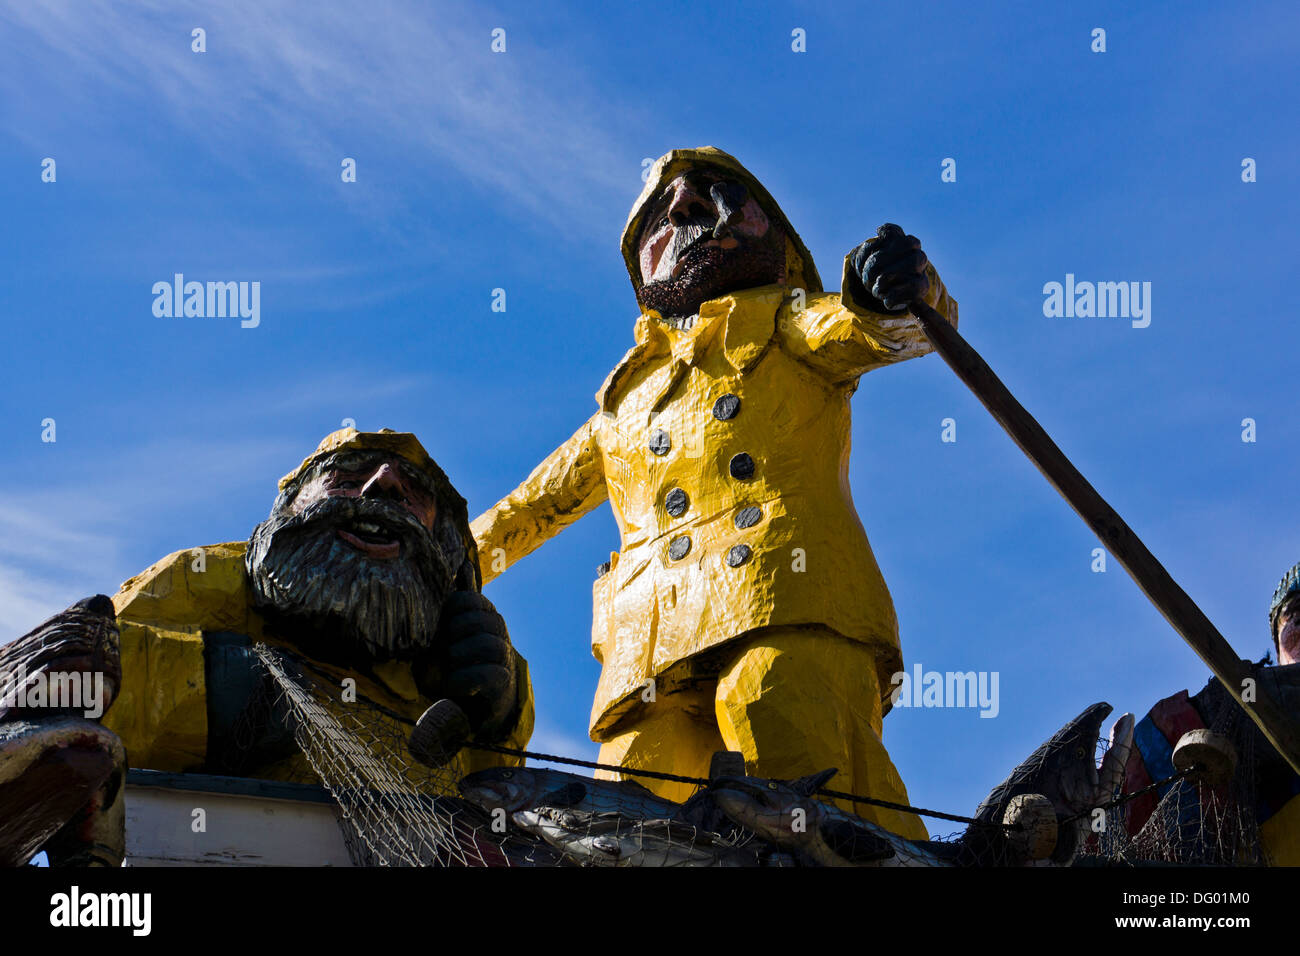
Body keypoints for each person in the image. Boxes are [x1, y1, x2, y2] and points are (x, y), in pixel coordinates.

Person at [472, 147, 958, 838]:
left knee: (802, 771)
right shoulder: (623, 402)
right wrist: (439, 559)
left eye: (715, 193)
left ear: (780, 244)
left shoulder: (787, 322)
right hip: (648, 648)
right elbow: (527, 509)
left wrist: (897, 292)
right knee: (624, 812)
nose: (683, 208)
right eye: (656, 219)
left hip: (786, 603)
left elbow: (868, 328)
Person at [103, 427, 533, 784]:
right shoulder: (200, 578)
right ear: (291, 508)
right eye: (345, 480)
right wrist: (222, 690)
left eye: (412, 495)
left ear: (447, 545)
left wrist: (500, 717)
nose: (382, 483)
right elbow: (79, 690)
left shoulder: (457, 643)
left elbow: (497, 807)